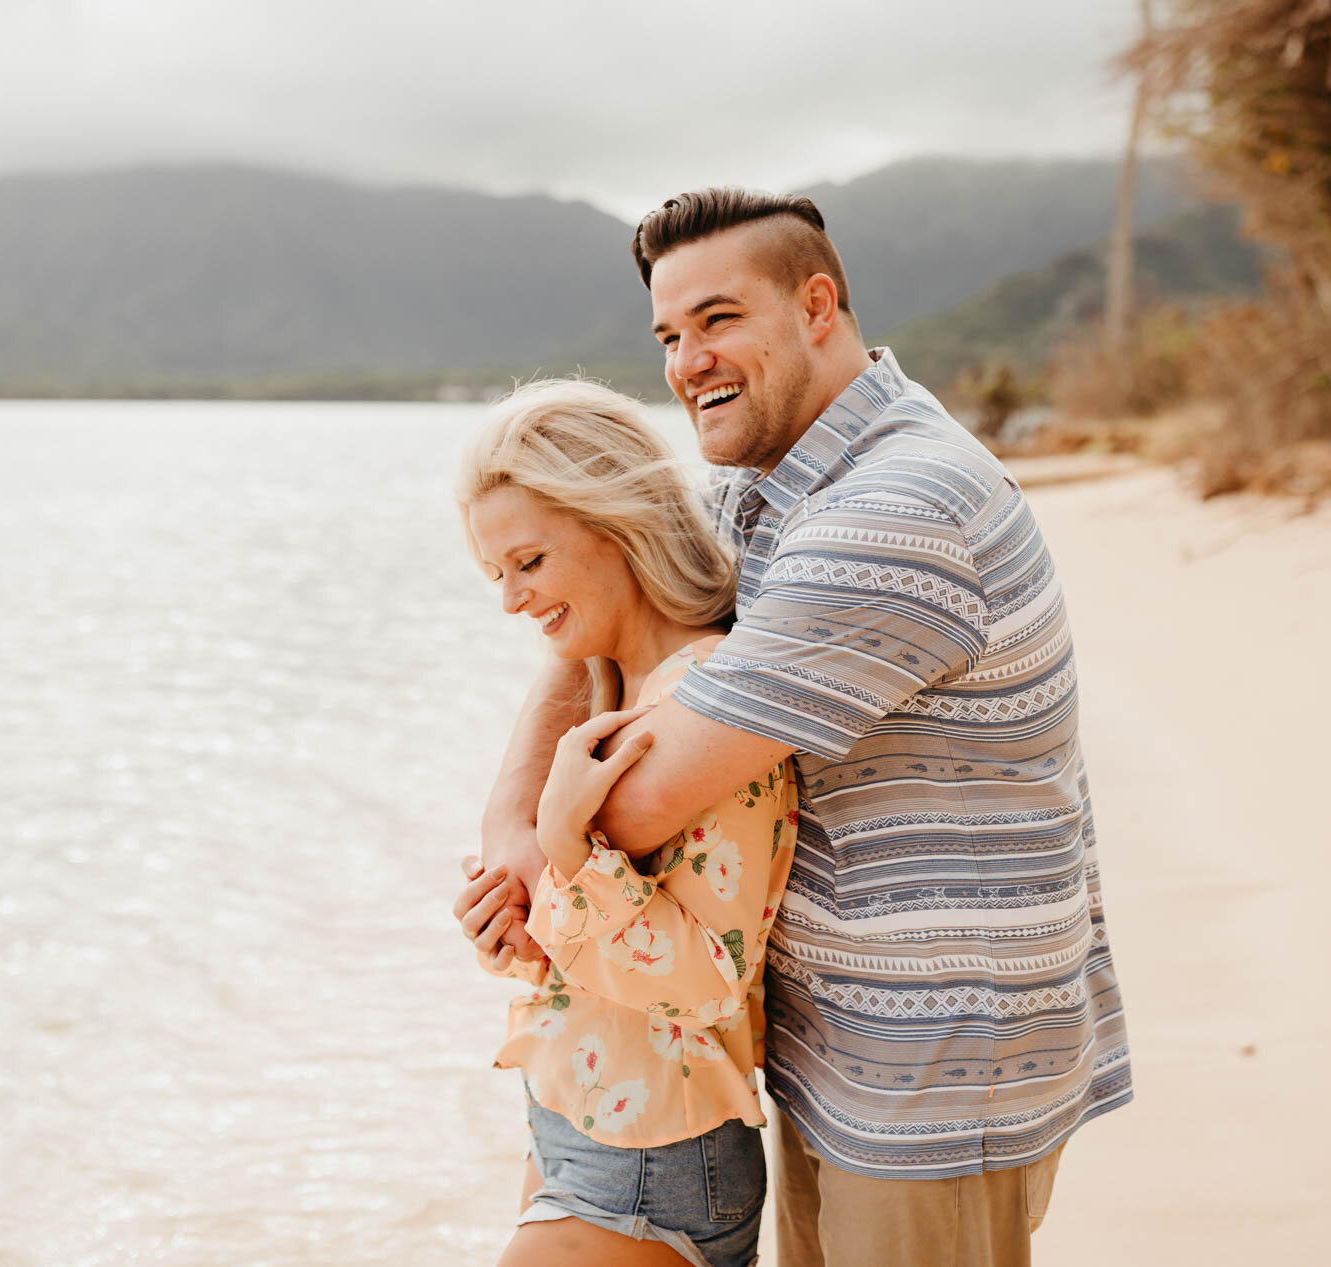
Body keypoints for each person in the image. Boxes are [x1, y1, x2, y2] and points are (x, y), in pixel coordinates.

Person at [457, 188, 1133, 1267]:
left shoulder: (897, 507)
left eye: (718, 318)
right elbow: (596, 623)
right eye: (669, 335)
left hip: (936, 1064)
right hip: (833, 1046)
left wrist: (551, 840)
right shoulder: (769, 490)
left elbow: (636, 796)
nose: (687, 361)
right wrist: (510, 831)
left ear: (817, 305)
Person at [453, 378, 803, 1267]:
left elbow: (705, 982)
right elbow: (602, 946)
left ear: (617, 525)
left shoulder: (703, 700)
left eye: (530, 562)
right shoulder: (612, 684)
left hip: (653, 1159)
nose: (512, 599)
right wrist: (517, 928)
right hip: (583, 1129)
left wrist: (570, 844)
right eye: (498, 573)